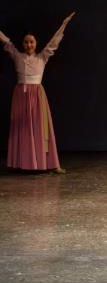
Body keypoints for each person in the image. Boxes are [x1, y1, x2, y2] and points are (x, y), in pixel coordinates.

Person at [0, 12, 75, 173]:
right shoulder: (17, 56)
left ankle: (52, 164)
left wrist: (64, 24)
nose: (29, 45)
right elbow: (6, 41)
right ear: (23, 44)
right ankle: (21, 163)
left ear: (36, 43)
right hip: (21, 95)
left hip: (37, 95)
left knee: (41, 128)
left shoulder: (42, 57)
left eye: (32, 42)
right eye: (26, 42)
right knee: (21, 129)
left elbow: (53, 43)